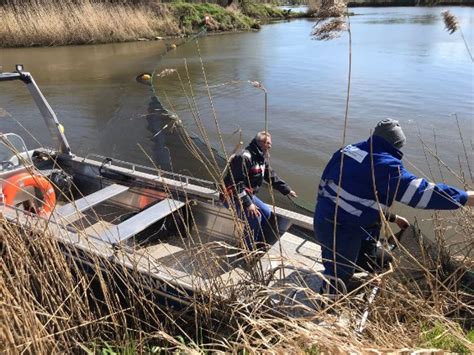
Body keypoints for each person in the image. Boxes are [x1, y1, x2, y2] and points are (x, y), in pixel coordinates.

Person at [314, 118, 474, 292]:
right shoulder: (385, 165)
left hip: (324, 218)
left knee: (343, 260)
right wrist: (464, 197)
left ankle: (345, 279)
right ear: (397, 144)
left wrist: (393, 218)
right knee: (338, 274)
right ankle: (325, 307)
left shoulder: (348, 150)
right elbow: (420, 193)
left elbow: (348, 195)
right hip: (343, 230)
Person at [222, 131, 297, 251]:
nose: (270, 146)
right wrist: (249, 204)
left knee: (266, 213)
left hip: (246, 194)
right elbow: (237, 184)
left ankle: (256, 241)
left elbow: (271, 176)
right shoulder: (244, 158)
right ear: (261, 143)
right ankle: (246, 250)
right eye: (268, 143)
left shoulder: (261, 157)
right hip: (231, 196)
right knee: (255, 218)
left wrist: (287, 190)